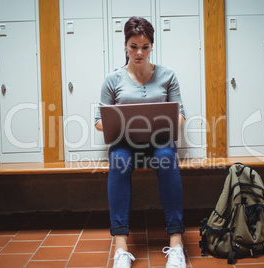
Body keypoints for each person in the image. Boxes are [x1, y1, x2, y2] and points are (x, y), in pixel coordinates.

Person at [94, 16, 186, 268]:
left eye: (145, 47)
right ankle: (121, 248)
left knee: (166, 158)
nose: (139, 52)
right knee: (119, 160)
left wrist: (163, 123)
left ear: (151, 46)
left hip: (159, 141)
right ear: (125, 45)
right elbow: (98, 121)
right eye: (133, 46)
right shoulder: (112, 80)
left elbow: (180, 115)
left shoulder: (168, 76)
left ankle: (176, 243)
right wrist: (123, 124)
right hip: (125, 143)